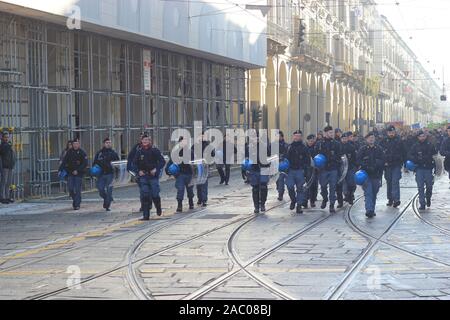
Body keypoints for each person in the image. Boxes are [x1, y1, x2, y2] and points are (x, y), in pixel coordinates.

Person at [133, 135, 165, 220]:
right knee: (145, 195)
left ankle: (158, 207)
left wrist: (156, 169)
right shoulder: (139, 152)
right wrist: (138, 171)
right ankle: (146, 215)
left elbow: (162, 161)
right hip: (143, 176)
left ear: (150, 141)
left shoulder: (155, 150)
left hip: (153, 176)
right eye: (143, 140)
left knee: (155, 194)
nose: (145, 141)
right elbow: (134, 164)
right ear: (141, 141)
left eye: (147, 140)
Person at [356, 132, 385, 218]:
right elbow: (358, 160)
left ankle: (372, 208)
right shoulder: (363, 149)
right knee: (368, 192)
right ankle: (369, 210)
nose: (371, 139)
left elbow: (383, 159)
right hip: (366, 175)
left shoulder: (379, 149)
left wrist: (377, 165)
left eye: (373, 137)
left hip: (376, 174)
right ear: (366, 139)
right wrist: (365, 166)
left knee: (374, 192)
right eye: (370, 138)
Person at [408, 131, 438, 210]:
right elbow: (410, 155)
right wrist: (416, 159)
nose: (422, 138)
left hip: (428, 168)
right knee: (420, 186)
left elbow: (435, 157)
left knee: (429, 186)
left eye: (423, 136)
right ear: (418, 137)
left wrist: (436, 168)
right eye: (420, 136)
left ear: (425, 136)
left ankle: (428, 197)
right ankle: (422, 203)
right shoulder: (415, 146)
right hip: (419, 168)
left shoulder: (430, 145)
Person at [315, 126, 342, 213]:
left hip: (333, 168)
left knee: (333, 187)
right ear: (325, 133)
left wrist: (337, 162)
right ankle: (325, 198)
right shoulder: (319, 144)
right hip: (323, 169)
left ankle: (332, 205)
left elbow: (340, 156)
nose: (332, 134)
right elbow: (315, 155)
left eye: (332, 133)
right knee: (323, 186)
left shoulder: (336, 144)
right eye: (330, 133)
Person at [166, 137, 195, 213]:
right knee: (180, 189)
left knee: (190, 190)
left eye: (185, 142)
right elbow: (170, 162)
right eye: (182, 142)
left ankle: (191, 202)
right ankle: (179, 205)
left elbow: (193, 162)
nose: (183, 143)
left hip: (189, 173)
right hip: (180, 174)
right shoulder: (175, 152)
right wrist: (167, 170)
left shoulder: (190, 152)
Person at [285, 130, 311, 214]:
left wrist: (305, 170)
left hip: (300, 170)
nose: (297, 137)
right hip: (291, 170)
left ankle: (299, 206)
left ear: (301, 137)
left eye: (299, 136)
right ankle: (293, 200)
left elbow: (308, 160)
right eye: (295, 136)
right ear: (293, 137)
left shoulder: (304, 148)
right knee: (289, 186)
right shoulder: (289, 147)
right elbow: (285, 158)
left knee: (300, 189)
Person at [380, 126, 405, 208]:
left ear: (395, 132)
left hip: (396, 164)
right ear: (387, 133)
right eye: (390, 132)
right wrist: (383, 162)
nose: (391, 134)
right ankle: (390, 199)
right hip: (387, 165)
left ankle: (396, 199)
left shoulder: (399, 141)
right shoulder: (383, 141)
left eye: (392, 132)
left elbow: (404, 152)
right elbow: (380, 153)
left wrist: (403, 162)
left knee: (395, 181)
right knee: (389, 182)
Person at [247, 132, 271, 214]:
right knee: (255, 188)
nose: (255, 139)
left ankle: (263, 203)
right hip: (254, 170)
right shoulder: (249, 147)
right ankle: (256, 206)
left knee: (263, 187)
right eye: (254, 138)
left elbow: (269, 156)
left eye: (257, 138)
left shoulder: (264, 146)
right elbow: (245, 158)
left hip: (263, 169)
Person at [93, 138, 120, 211]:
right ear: (104, 144)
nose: (108, 144)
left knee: (109, 190)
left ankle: (107, 205)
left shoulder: (113, 153)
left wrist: (117, 175)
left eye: (109, 142)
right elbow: (95, 162)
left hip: (110, 174)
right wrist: (94, 172)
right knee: (101, 189)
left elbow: (117, 164)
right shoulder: (99, 153)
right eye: (107, 142)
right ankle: (107, 198)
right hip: (101, 174)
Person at [61, 139, 88, 210]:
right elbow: (65, 162)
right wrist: (63, 170)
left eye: (77, 144)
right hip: (70, 173)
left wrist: (78, 170)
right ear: (72, 145)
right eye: (74, 144)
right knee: (71, 188)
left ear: (79, 144)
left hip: (79, 174)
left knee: (77, 189)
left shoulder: (82, 152)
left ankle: (77, 204)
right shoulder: (69, 152)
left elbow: (85, 163)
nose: (75, 145)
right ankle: (75, 199)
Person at [340, 132, 357, 205]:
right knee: (343, 183)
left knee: (351, 183)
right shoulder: (338, 146)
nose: (344, 140)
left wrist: (355, 166)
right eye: (343, 138)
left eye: (345, 138)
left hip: (350, 167)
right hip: (341, 168)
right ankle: (346, 195)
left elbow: (354, 157)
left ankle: (350, 195)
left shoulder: (351, 147)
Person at [0, 132, 16, 204]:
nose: (6, 138)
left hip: (10, 166)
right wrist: (9, 145)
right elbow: (4, 151)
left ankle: (7, 197)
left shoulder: (9, 145)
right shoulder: (2, 145)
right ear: (2, 138)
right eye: (5, 137)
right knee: (4, 182)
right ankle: (2, 197)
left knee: (9, 182)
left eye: (7, 137)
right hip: (5, 166)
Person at [305, 134, 318, 208]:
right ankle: (305, 200)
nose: (311, 142)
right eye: (310, 141)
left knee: (314, 185)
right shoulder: (304, 148)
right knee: (306, 185)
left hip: (315, 169)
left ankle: (312, 200)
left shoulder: (316, 148)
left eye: (312, 141)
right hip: (306, 169)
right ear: (307, 140)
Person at [276, 131, 289, 201]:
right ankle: (279, 191)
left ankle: (280, 193)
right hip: (275, 165)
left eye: (279, 136)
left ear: (282, 137)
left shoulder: (286, 145)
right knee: (278, 181)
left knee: (281, 179)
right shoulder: (273, 145)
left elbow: (288, 155)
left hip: (284, 165)